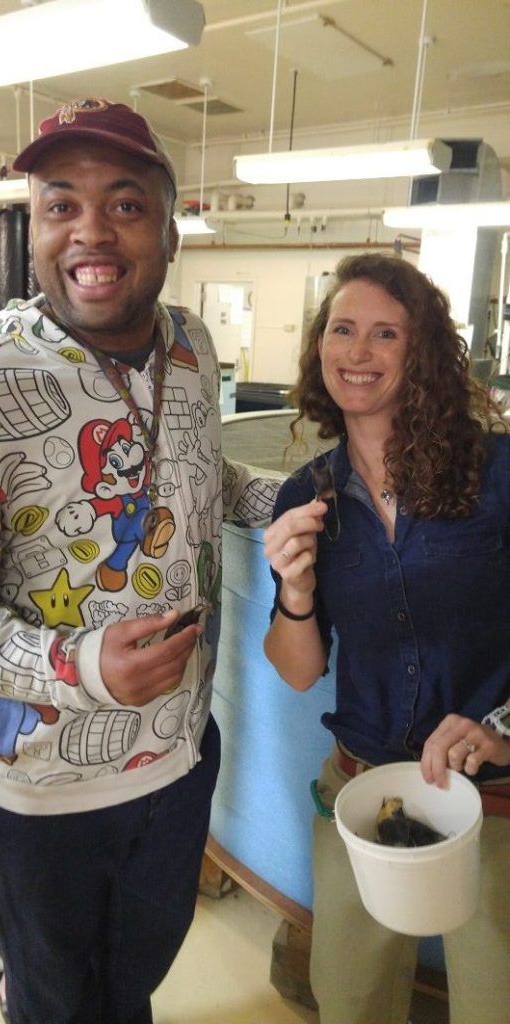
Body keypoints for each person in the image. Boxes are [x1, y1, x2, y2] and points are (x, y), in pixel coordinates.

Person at [0, 97, 280, 1024]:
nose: (92, 229)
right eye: (61, 204)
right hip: (41, 785)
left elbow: (203, 467)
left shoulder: (193, 347)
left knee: (132, 980)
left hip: (179, 752)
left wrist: (293, 501)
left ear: (170, 230)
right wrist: (81, 665)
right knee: (57, 1002)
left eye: (125, 204)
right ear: (37, 226)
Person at [263, 252, 510, 1024]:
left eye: (384, 334)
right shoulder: (310, 493)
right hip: (363, 789)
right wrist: (297, 593)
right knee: (350, 1000)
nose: (357, 353)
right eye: (342, 330)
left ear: (423, 353)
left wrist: (500, 727)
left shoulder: (497, 471)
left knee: (492, 1001)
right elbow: (299, 672)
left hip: (494, 800)